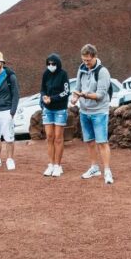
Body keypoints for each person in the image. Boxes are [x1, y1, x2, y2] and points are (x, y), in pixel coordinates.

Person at [71, 44, 113, 184]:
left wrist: (85, 95)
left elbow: (101, 95)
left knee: (102, 142)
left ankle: (107, 171)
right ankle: (94, 168)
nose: (86, 63)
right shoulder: (81, 69)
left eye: (88, 60)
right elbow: (77, 88)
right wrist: (75, 98)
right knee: (89, 141)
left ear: (95, 57)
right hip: (84, 111)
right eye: (83, 60)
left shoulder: (103, 72)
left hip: (99, 112)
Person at [40, 53, 70, 177]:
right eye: (49, 63)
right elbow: (42, 89)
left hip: (60, 109)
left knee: (58, 137)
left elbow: (66, 92)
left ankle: (58, 165)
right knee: (50, 137)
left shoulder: (63, 74)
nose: (51, 66)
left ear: (58, 64)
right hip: (47, 109)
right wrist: (44, 97)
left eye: (53, 63)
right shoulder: (45, 74)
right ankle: (51, 164)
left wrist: (52, 98)